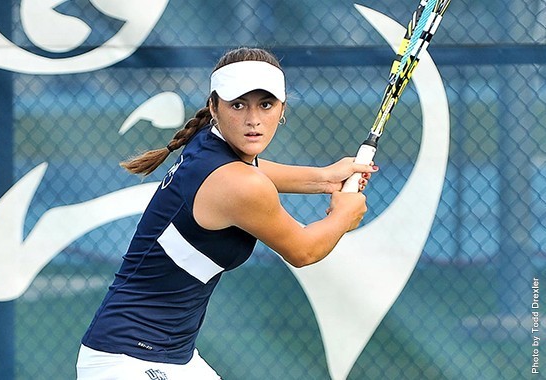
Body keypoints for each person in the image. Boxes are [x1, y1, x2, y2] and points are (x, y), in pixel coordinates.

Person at [76, 47, 376, 379]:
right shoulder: (238, 185)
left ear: (282, 109)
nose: (253, 120)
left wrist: (324, 178)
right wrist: (343, 216)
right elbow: (304, 250)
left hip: (171, 355)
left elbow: (256, 172)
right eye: (238, 105)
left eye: (265, 105)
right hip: (128, 360)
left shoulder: (209, 146)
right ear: (214, 107)